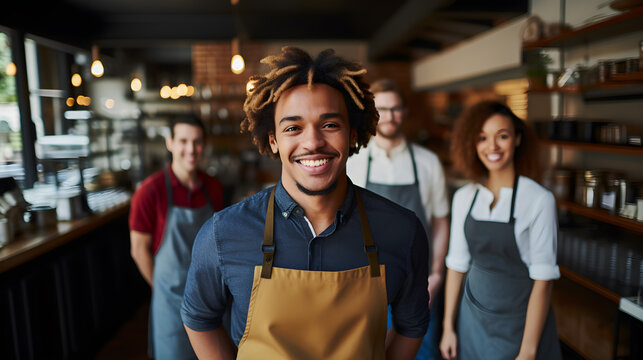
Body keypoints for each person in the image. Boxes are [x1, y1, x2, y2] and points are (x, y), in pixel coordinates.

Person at [181, 46, 430, 360]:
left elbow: (412, 323)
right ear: (273, 140)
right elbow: (199, 318)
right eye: (293, 128)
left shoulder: (401, 231)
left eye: (330, 125)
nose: (312, 142)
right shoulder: (222, 233)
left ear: (353, 135)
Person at [439, 100, 562, 360]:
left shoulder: (539, 200)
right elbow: (457, 266)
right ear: (472, 144)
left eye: (502, 136)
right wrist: (448, 326)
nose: (492, 146)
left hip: (521, 326)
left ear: (517, 139)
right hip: (472, 320)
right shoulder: (465, 197)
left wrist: (528, 352)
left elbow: (544, 281)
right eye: (482, 137)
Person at [346, 78, 450, 360]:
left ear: (404, 112)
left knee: (422, 352)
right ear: (372, 114)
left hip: (419, 283)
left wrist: (436, 273)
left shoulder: (428, 162)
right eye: (382, 109)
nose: (390, 116)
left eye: (396, 109)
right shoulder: (353, 161)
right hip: (365, 283)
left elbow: (440, 221)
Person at [129, 114, 224, 360]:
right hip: (171, 307)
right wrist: (163, 290)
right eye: (183, 141)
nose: (191, 149)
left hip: (212, 302)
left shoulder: (214, 188)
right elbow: (139, 250)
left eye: (197, 142)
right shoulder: (150, 191)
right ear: (169, 142)